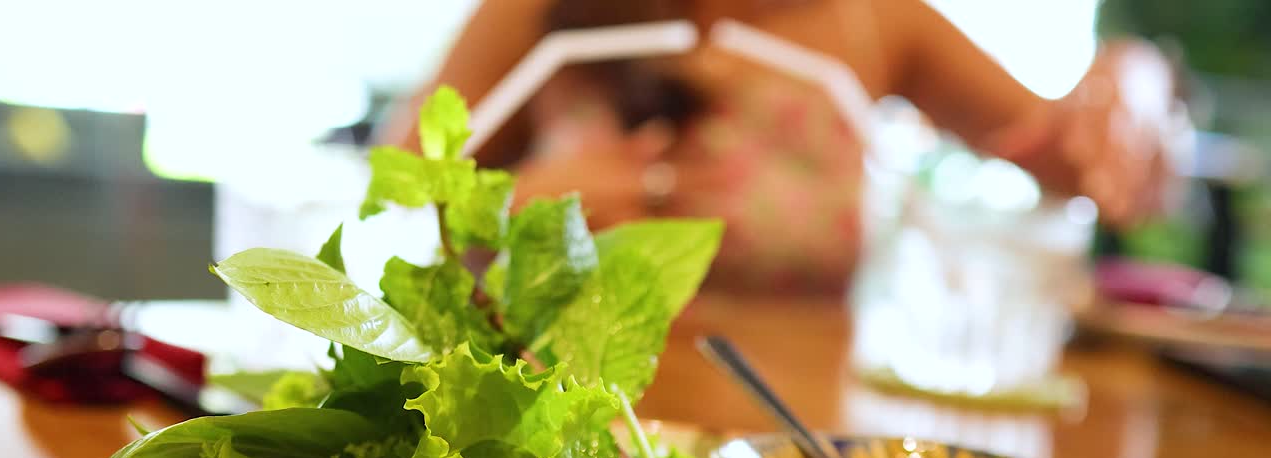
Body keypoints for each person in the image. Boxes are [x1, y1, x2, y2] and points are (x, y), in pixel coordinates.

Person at [376, 0, 1189, 296]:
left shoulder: (878, 20)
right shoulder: (536, 11)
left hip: (792, 454)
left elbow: (1076, 154)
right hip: (555, 424)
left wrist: (1137, 81)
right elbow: (399, 183)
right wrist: (511, 205)